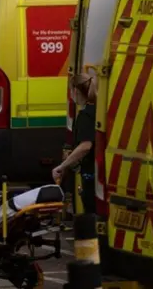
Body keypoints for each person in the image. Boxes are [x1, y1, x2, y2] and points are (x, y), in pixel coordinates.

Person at [52, 72, 98, 214]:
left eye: (70, 90)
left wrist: (62, 166)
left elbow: (85, 146)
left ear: (76, 91)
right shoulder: (98, 110)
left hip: (91, 176)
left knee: (91, 216)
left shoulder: (85, 116)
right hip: (100, 175)